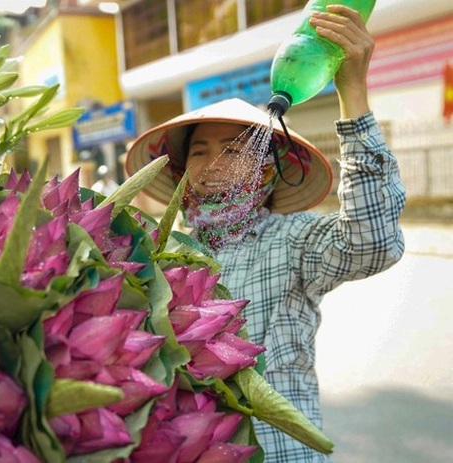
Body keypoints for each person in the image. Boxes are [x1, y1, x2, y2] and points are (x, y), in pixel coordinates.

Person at [125, 5, 405, 462]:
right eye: (199, 150)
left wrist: (352, 90)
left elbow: (372, 243)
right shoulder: (161, 254)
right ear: (181, 171)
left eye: (236, 148)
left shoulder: (293, 240)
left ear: (266, 171)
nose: (215, 162)